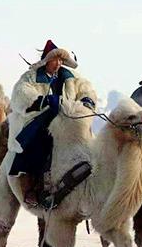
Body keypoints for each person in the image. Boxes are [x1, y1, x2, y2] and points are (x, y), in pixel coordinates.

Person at [8, 40, 85, 206]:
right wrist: (43, 101)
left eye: (60, 60)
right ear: (46, 61)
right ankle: (31, 187)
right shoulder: (31, 77)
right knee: (38, 141)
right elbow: (21, 96)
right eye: (55, 59)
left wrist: (86, 99)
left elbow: (84, 90)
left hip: (68, 118)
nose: (58, 63)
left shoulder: (69, 77)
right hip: (40, 118)